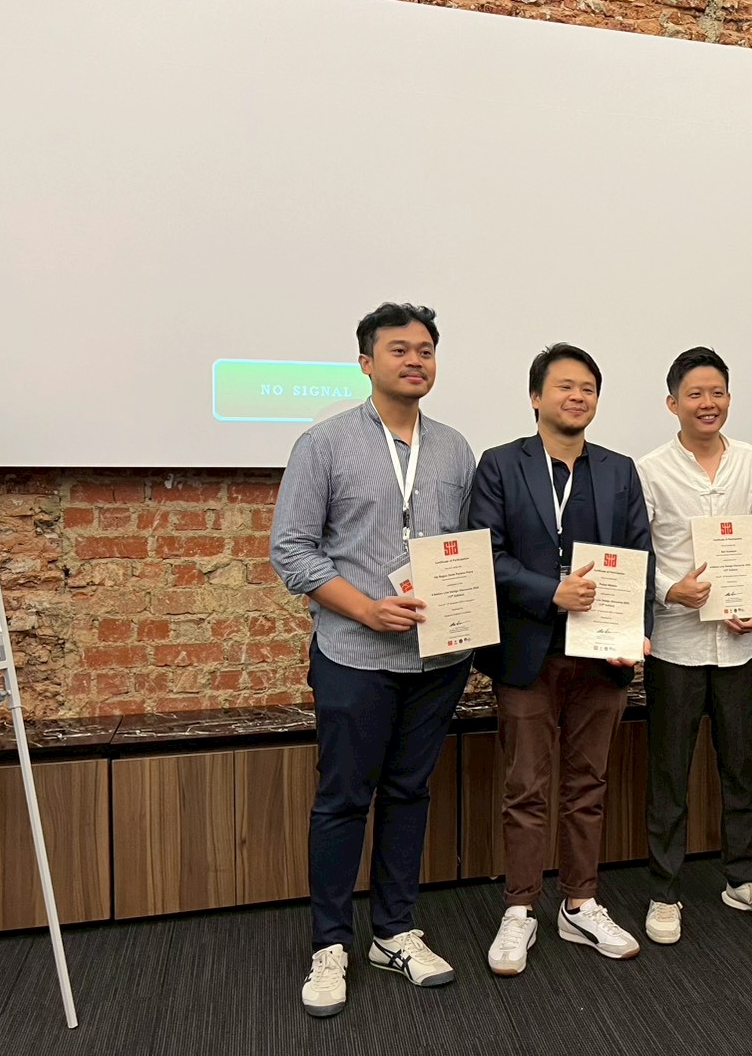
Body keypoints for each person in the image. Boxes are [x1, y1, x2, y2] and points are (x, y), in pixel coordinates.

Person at [271, 302, 477, 1017]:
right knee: (343, 799)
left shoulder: (454, 448)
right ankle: (331, 942)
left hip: (437, 661)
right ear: (366, 363)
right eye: (399, 349)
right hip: (355, 655)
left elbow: (465, 549)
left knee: (410, 793)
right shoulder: (323, 444)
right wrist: (364, 608)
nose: (415, 360)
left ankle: (394, 931)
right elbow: (291, 551)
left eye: (425, 350)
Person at [469, 342, 655, 976]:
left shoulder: (619, 470)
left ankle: (581, 903)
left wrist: (638, 633)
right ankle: (520, 908)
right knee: (525, 787)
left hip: (602, 658)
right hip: (527, 654)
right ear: (536, 397)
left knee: (588, 785)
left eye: (588, 388)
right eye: (565, 386)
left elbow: (639, 558)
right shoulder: (500, 464)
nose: (578, 397)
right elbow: (487, 554)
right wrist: (550, 590)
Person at [636, 347, 752, 945]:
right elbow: (639, 553)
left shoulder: (749, 461)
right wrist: (668, 590)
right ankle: (664, 890)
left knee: (740, 767)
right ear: (672, 403)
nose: (708, 403)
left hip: (737, 649)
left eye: (718, 392)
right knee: (670, 774)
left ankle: (744, 878)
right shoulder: (650, 469)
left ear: (729, 398)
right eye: (695, 394)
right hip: (676, 647)